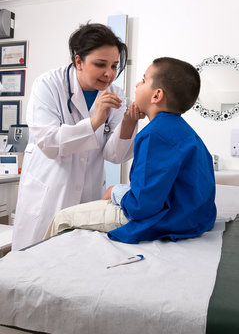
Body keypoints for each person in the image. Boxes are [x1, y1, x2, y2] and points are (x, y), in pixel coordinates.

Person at [44, 57, 217, 244]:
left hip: (166, 220)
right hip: (193, 218)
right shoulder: (185, 132)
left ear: (157, 96)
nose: (137, 84)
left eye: (143, 80)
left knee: (62, 218)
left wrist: (116, 191)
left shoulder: (153, 135)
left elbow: (141, 206)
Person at [12, 23, 142, 251]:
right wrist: (95, 121)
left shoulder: (115, 94)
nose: (109, 73)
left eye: (113, 65)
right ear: (78, 61)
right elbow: (49, 143)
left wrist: (129, 123)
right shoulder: (48, 85)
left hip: (88, 189)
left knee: (74, 257)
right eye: (100, 64)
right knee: (35, 257)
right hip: (48, 189)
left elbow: (114, 155)